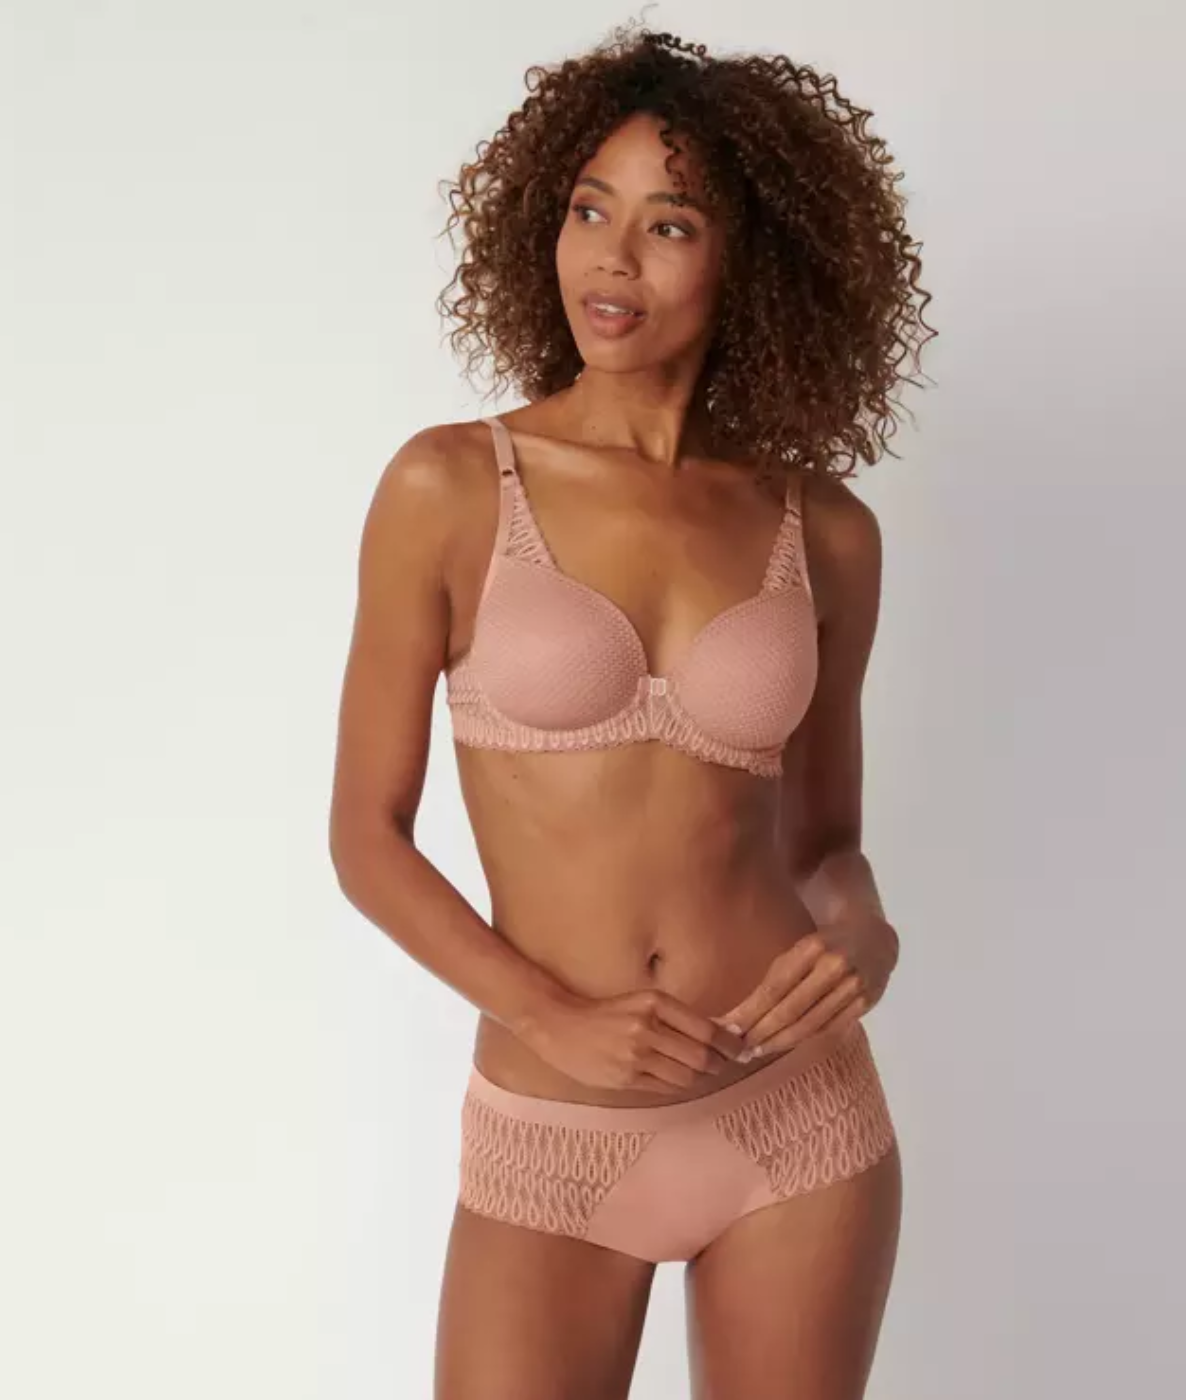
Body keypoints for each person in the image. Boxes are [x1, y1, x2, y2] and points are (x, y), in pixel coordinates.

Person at [329, 22, 935, 1400]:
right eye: (589, 210)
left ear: (751, 261)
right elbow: (367, 837)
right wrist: (547, 1015)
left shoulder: (824, 532)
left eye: (669, 226)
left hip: (794, 1113)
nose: (612, 259)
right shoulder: (449, 487)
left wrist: (865, 931)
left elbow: (824, 842)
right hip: (556, 1127)